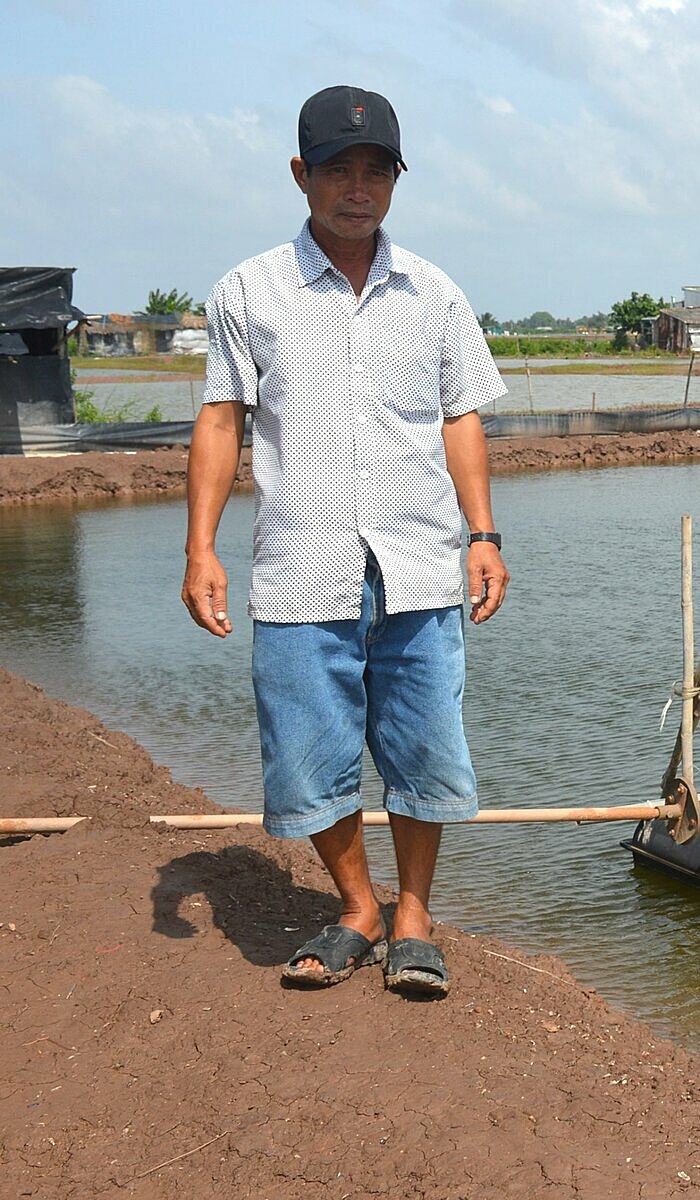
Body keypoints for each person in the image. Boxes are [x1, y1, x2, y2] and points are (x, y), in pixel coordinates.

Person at [182, 85, 508, 997]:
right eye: (337, 169)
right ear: (302, 175)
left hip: (418, 562)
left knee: (424, 749)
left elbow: (461, 420)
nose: (356, 188)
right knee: (309, 754)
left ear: (396, 182)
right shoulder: (250, 291)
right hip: (301, 565)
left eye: (375, 170)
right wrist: (199, 547)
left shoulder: (433, 294)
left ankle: (414, 914)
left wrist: (482, 533)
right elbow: (221, 420)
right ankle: (358, 908)